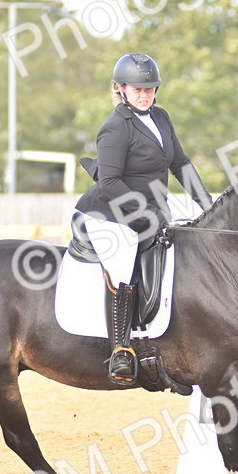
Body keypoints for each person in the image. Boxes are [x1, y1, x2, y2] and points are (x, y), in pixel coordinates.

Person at [74, 52, 214, 387]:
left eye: (150, 88)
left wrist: (208, 204)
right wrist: (146, 212)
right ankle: (121, 349)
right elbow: (109, 183)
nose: (145, 94)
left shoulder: (161, 118)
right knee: (123, 262)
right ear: (121, 88)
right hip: (109, 214)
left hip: (149, 212)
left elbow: (180, 163)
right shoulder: (115, 128)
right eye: (137, 89)